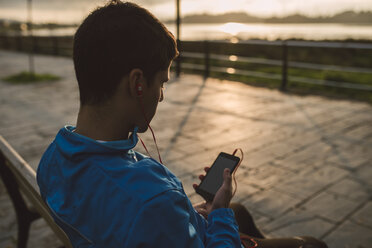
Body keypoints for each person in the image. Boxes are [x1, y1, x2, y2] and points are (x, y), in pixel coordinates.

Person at [36, 1, 327, 247]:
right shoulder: (153, 201)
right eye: (161, 83)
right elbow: (150, 209)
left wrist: (186, 215)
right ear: (138, 84)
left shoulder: (51, 160)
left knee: (241, 214)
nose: (160, 97)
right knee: (312, 244)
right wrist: (218, 213)